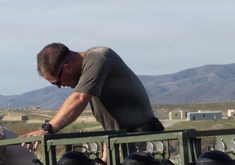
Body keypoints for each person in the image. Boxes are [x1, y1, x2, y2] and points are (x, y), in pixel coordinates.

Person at [24, 43, 163, 137]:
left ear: (67, 68)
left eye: (57, 82)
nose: (60, 86)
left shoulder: (98, 57)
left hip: (144, 139)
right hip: (125, 139)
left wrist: (47, 129)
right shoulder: (89, 74)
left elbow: (78, 99)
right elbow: (112, 123)